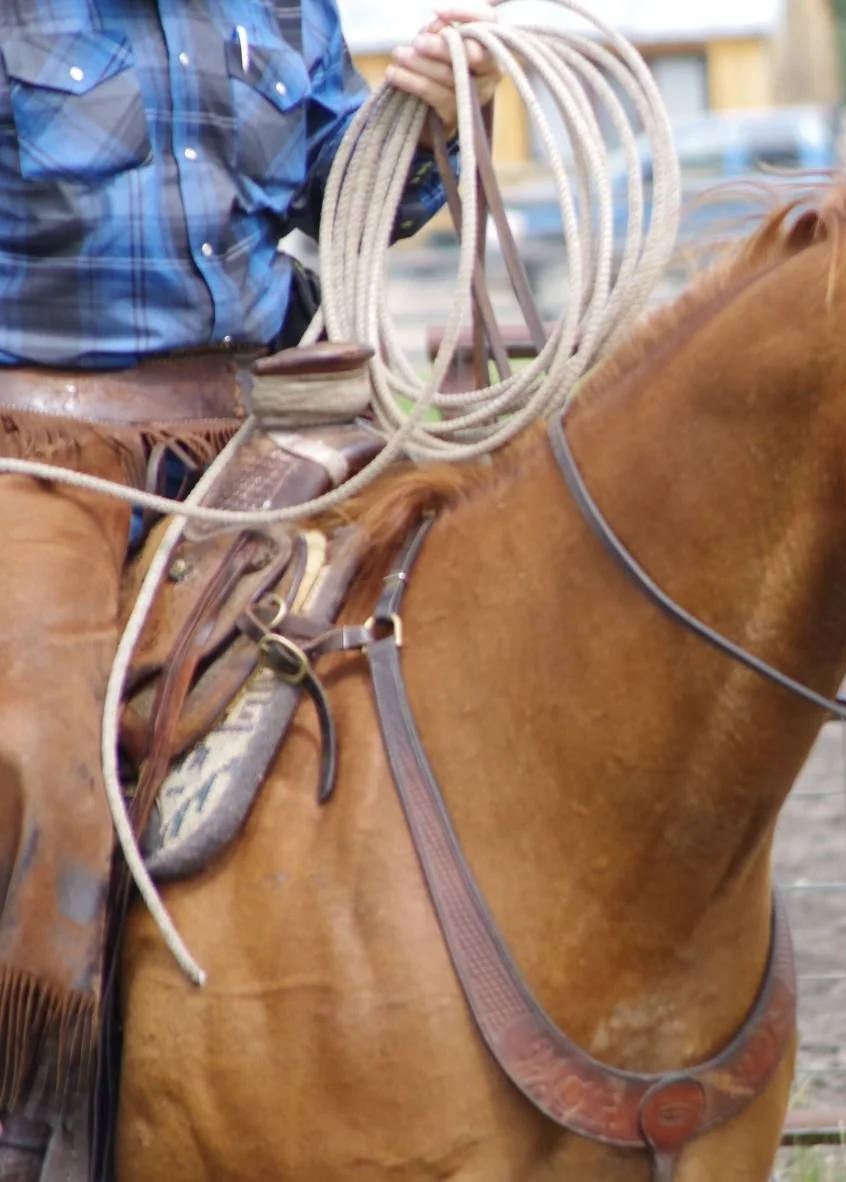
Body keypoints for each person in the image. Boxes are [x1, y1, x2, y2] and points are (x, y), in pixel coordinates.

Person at [0, 0, 500, 1140]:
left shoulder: (278, 12)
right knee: (34, 747)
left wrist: (427, 116)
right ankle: (29, 1111)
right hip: (39, 441)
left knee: (452, 624)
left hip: (261, 432)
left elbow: (356, 194)